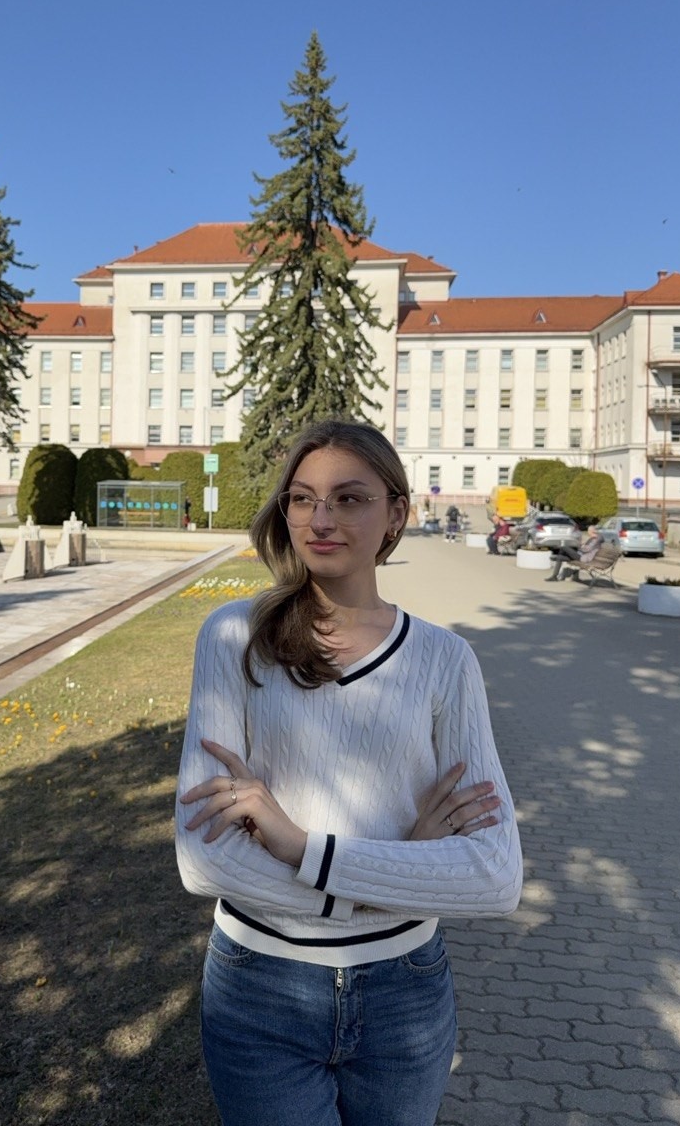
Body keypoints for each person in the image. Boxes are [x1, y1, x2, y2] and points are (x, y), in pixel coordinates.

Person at [175, 420, 522, 1126]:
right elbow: (204, 860)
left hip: (405, 993)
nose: (320, 519)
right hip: (259, 987)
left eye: (349, 498)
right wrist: (398, 872)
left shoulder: (444, 660)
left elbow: (494, 876)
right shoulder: (234, 637)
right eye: (302, 499)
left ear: (396, 513)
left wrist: (301, 847)